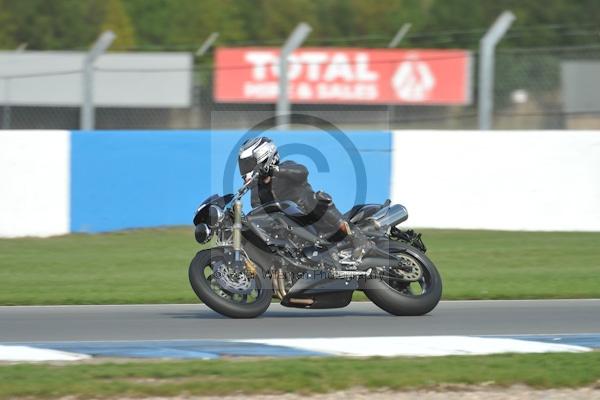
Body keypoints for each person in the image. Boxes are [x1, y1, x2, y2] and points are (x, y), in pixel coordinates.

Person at [238, 136, 370, 261]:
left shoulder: (286, 168)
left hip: (312, 218)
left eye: (247, 164)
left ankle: (357, 236)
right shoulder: (256, 193)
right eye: (243, 165)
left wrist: (274, 171)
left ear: (262, 156)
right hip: (291, 233)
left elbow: (302, 171)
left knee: (319, 199)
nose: (244, 170)